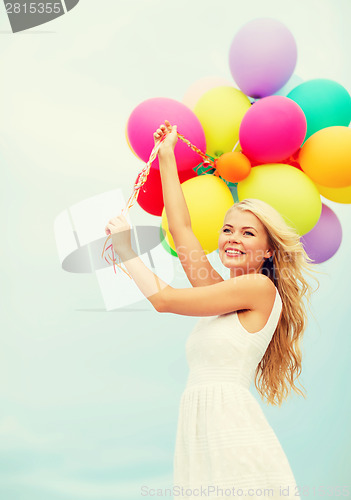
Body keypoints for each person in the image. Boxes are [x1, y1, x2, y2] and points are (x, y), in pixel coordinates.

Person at [105, 120, 319, 499]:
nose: (233, 238)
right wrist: (168, 156)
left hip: (231, 431)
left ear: (269, 250)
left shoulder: (259, 288)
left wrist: (126, 251)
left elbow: (164, 300)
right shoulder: (222, 293)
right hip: (199, 430)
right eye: (227, 229)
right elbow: (182, 229)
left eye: (248, 233)